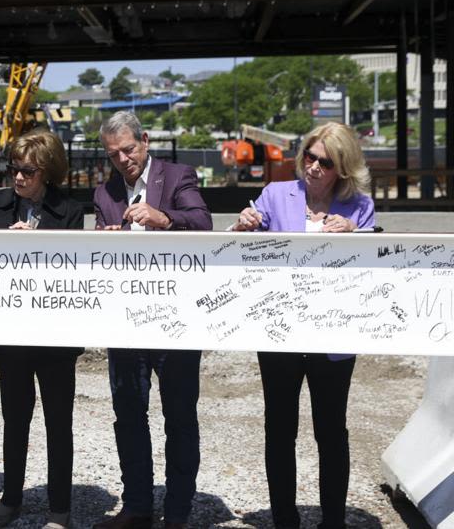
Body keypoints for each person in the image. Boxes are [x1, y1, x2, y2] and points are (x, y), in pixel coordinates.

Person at [232, 122, 374, 529]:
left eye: (324, 162)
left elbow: (377, 260)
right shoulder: (276, 194)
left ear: (342, 168)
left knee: (331, 432)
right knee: (279, 430)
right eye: (309, 157)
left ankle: (333, 521)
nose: (313, 167)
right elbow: (246, 240)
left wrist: (357, 232)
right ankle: (284, 520)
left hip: (334, 336)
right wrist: (245, 223)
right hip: (280, 333)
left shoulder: (359, 206)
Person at [91, 111, 211, 529]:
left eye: (128, 149)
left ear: (144, 140)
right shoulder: (105, 192)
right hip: (125, 320)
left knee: (179, 418)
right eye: (113, 154)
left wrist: (165, 218)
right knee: (128, 416)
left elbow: (202, 224)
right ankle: (137, 506)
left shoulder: (178, 176)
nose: (123, 159)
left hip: (175, 320)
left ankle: (177, 511)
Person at [0, 130, 84, 529]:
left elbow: (74, 265)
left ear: (48, 171)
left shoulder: (70, 210)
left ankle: (59, 508)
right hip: (13, 335)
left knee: (59, 424)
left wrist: (37, 242)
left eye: (27, 171)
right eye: (13, 169)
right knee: (14, 421)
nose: (18, 178)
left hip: (55, 337)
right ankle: (11, 499)